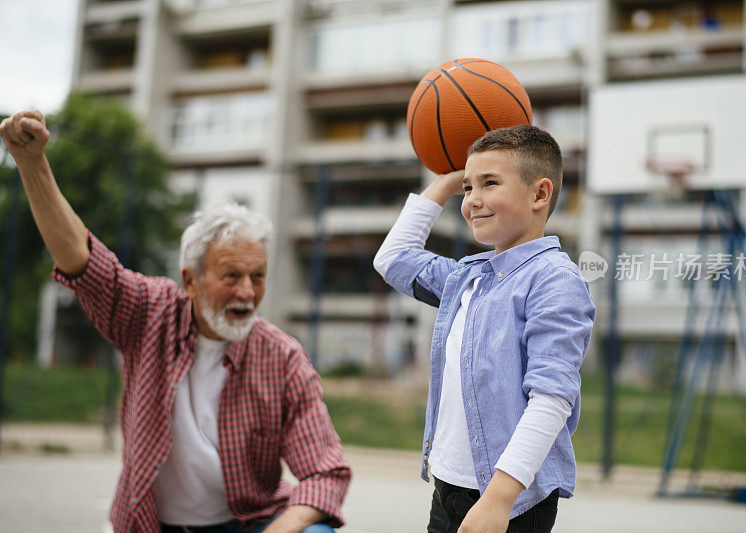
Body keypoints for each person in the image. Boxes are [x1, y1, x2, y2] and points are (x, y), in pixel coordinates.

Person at [0, 110, 351, 533]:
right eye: (231, 276)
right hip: (152, 525)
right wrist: (32, 163)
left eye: (257, 277)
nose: (246, 292)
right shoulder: (149, 313)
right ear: (191, 280)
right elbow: (81, 259)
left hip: (247, 524)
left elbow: (325, 471)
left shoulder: (282, 356)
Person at [374, 125, 596, 533]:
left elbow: (551, 398)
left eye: (489, 183)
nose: (472, 200)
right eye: (468, 187)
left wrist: (498, 500)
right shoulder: (468, 277)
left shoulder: (554, 279)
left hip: (507, 499)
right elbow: (392, 260)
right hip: (448, 486)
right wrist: (442, 184)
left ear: (540, 194)